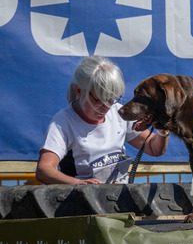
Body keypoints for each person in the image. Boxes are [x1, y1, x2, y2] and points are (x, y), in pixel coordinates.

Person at [36, 55, 169, 185]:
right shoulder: (63, 122)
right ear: (79, 91)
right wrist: (79, 183)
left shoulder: (117, 111)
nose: (106, 106)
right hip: (83, 196)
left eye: (111, 99)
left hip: (118, 194)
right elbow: (44, 170)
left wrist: (163, 128)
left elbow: (153, 148)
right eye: (99, 99)